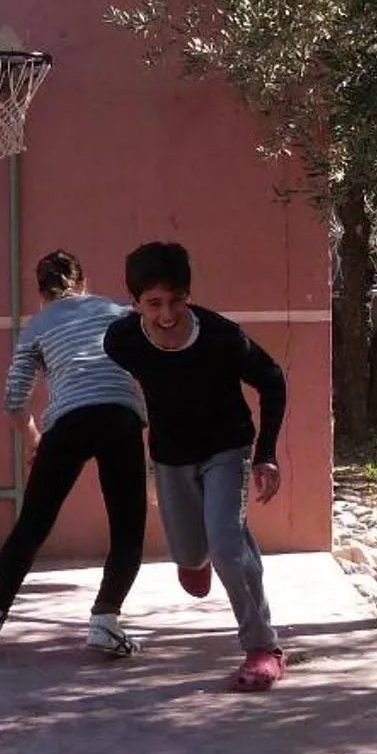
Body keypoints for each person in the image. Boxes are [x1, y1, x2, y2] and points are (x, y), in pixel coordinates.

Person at [102, 241, 290, 691]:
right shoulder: (123, 341)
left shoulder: (221, 337)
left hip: (228, 447)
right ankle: (197, 557)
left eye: (177, 300)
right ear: (136, 304)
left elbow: (273, 379)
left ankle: (263, 647)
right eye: (154, 304)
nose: (167, 314)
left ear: (188, 295)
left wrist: (265, 453)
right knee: (193, 554)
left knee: (227, 544)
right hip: (170, 457)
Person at [0, 250, 150, 658]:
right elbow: (147, 361)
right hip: (120, 417)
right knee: (127, 529)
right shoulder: (116, 310)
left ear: (39, 290)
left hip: (68, 423)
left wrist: (34, 439)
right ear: (84, 280)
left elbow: (13, 398)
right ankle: (105, 622)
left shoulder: (37, 326)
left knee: (31, 526)